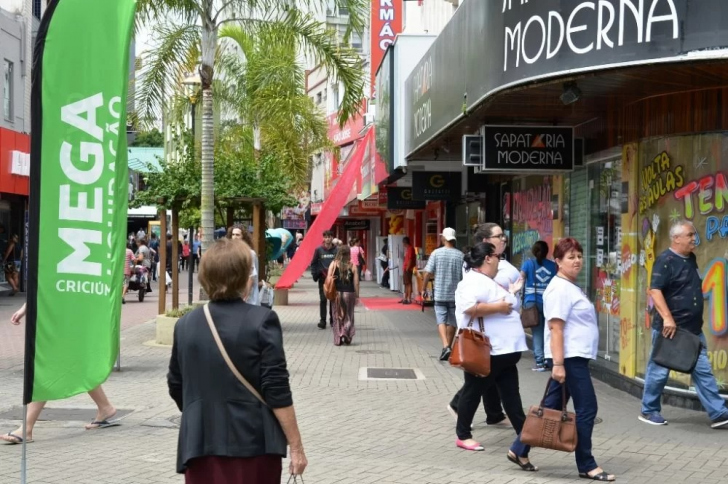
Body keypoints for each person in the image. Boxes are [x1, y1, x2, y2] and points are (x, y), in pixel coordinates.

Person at [167, 238, 307, 483]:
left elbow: (176, 384)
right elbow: (276, 389)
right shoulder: (262, 320)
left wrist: (204, 413)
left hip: (200, 445)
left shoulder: (185, 325)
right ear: (244, 276)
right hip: (252, 444)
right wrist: (296, 447)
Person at [536, 237, 615, 481]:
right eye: (571, 257)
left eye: (579, 255)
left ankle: (518, 449)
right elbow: (556, 328)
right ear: (557, 261)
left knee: (549, 408)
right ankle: (586, 464)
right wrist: (558, 364)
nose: (577, 261)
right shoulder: (559, 288)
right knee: (587, 408)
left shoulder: (569, 285)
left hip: (574, 357)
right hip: (569, 359)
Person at [453, 243, 536, 472]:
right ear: (488, 258)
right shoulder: (470, 280)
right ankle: (463, 434)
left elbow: (502, 302)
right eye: (498, 257)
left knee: (511, 395)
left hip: (505, 351)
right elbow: (469, 307)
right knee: (473, 391)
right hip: (488, 350)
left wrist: (511, 293)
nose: (501, 261)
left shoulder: (488, 280)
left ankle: (523, 437)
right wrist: (500, 306)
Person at [639, 220, 728, 429]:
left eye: (694, 235)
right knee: (659, 371)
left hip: (693, 330)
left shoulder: (690, 259)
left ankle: (719, 413)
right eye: (690, 235)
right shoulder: (665, 260)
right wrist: (668, 319)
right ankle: (649, 410)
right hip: (672, 330)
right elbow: (655, 290)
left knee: (703, 370)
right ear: (676, 238)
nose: (693, 239)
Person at [1, 303, 119, 444]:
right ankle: (105, 407)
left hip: (62, 317)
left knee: (48, 370)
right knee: (74, 366)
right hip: (61, 316)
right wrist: (26, 307)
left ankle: (26, 428)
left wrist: (25, 308)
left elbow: (48, 283)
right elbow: (45, 284)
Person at [449, 223, 516, 427]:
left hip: (499, 338)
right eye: (499, 236)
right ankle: (462, 420)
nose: (503, 239)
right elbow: (472, 304)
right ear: (487, 242)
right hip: (483, 336)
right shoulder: (482, 268)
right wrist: (505, 301)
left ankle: (495, 414)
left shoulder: (497, 262)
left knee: (488, 378)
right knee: (478, 380)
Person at [421, 228, 464, 361]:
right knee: (452, 321)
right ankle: (448, 348)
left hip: (440, 293)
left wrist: (423, 289)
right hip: (455, 294)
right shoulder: (460, 255)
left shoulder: (436, 253)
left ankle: (445, 346)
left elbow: (427, 272)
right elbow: (464, 276)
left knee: (441, 320)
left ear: (443, 239)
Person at [520, 240, 557, 371]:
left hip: (532, 302)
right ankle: (549, 359)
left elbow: (521, 280)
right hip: (548, 302)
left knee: (537, 332)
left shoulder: (528, 264)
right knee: (549, 332)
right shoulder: (553, 266)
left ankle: (539, 361)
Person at [327, 245, 359, 346]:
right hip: (349, 293)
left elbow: (328, 278)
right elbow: (356, 282)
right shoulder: (352, 265)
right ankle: (347, 333)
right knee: (349, 315)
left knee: (337, 315)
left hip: (337, 294)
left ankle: (338, 337)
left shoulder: (333, 264)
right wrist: (357, 296)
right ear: (349, 254)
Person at [310, 230, 337, 329]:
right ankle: (322, 320)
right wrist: (315, 274)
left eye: (329, 237)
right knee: (323, 300)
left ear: (332, 238)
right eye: (326, 237)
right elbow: (313, 263)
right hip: (323, 278)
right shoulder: (319, 250)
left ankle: (333, 320)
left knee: (333, 300)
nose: (328, 239)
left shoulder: (336, 250)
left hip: (334, 279)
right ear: (323, 238)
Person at [228, 225, 260, 306]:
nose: (235, 237)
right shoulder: (230, 253)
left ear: (243, 237)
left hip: (248, 300)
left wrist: (245, 297)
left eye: (237, 235)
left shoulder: (249, 253)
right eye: (233, 234)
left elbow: (251, 277)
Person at [401, 236, 417, 304]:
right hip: (405, 268)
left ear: (405, 242)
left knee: (408, 283)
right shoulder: (408, 249)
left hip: (408, 269)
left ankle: (409, 298)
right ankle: (405, 298)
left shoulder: (410, 249)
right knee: (406, 283)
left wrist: (407, 268)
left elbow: (410, 259)